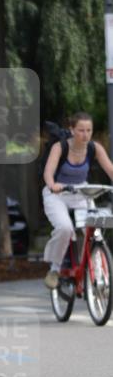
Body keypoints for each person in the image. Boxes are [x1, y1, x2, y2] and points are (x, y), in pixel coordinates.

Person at [42, 111, 113, 289]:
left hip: (81, 191)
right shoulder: (60, 147)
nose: (85, 134)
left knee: (94, 230)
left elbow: (111, 170)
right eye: (81, 130)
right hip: (57, 194)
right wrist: (53, 185)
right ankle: (55, 268)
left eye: (89, 130)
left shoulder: (94, 148)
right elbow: (48, 173)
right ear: (72, 130)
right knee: (65, 228)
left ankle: (96, 270)